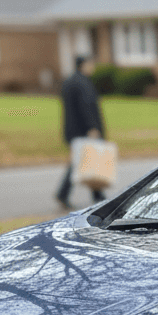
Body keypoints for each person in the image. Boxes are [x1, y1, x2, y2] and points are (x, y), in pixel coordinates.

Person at [56, 55, 106, 209]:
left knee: (86, 161)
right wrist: (92, 127)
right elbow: (87, 106)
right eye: (91, 64)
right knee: (82, 162)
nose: (93, 67)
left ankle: (98, 195)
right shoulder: (83, 83)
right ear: (84, 65)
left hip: (72, 129)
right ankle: (64, 194)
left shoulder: (69, 81)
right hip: (84, 130)